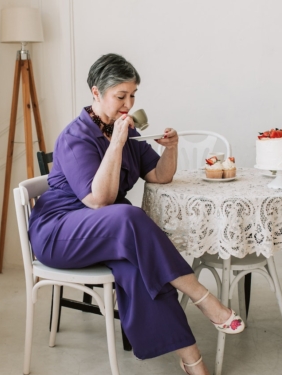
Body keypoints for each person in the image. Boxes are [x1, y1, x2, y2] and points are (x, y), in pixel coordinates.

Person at [28, 53, 243, 375]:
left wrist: (170, 148)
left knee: (140, 270)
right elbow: (99, 201)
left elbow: (159, 175)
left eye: (132, 96)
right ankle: (204, 298)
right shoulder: (76, 137)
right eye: (120, 96)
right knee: (129, 215)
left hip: (105, 233)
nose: (128, 104)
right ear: (96, 92)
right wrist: (116, 142)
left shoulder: (123, 130)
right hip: (60, 233)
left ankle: (193, 362)